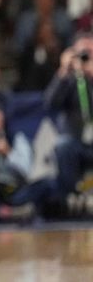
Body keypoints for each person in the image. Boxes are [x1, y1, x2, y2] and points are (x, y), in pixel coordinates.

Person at [45, 33, 93, 199]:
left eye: (90, 52)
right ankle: (70, 198)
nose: (86, 57)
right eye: (82, 53)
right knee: (63, 145)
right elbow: (50, 104)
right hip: (77, 142)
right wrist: (63, 70)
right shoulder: (70, 80)